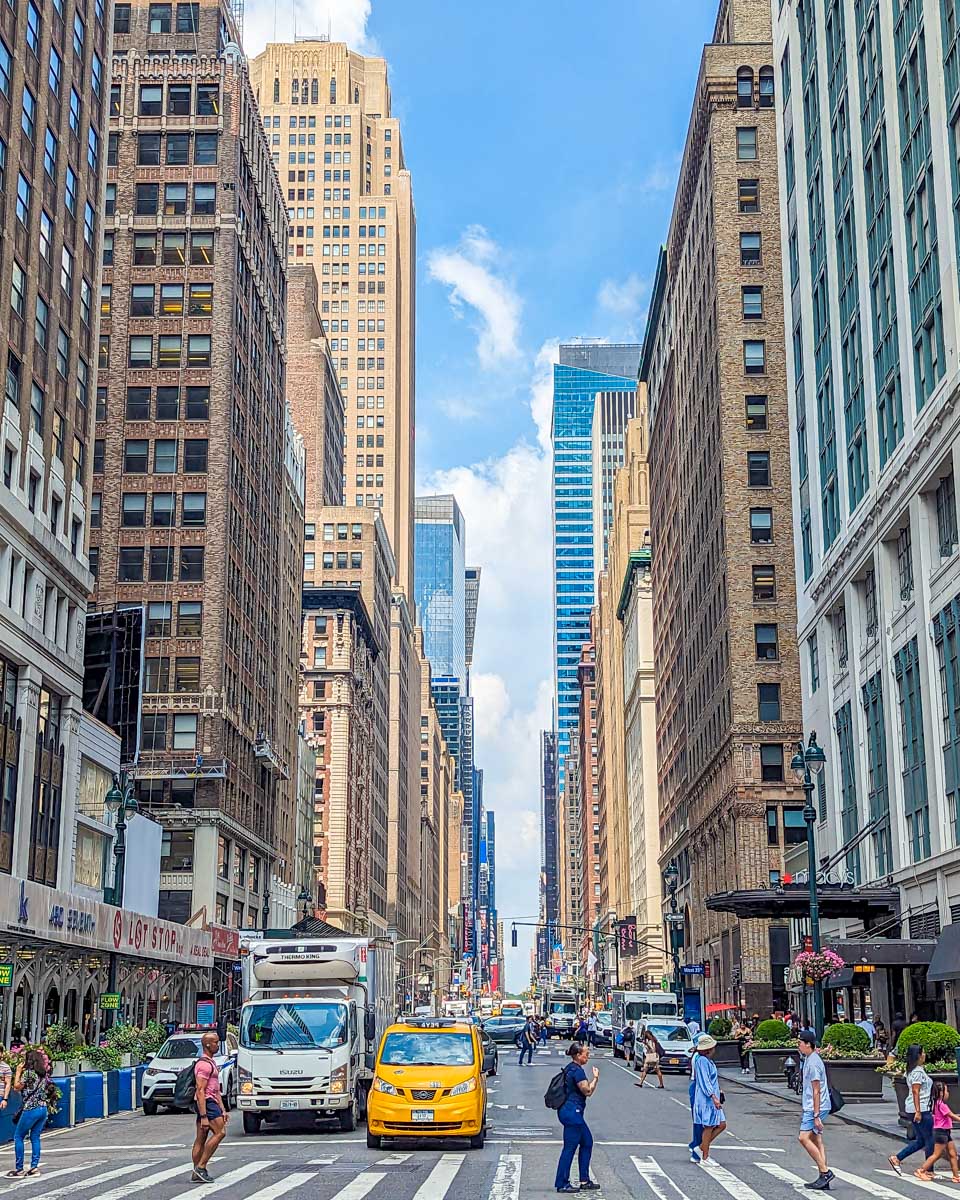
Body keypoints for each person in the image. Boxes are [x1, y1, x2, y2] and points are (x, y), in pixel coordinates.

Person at [553, 1042, 600, 1193]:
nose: (588, 1056)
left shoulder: (569, 1068)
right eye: (586, 1053)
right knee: (570, 1147)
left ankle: (584, 1180)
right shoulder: (578, 1071)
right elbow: (587, 1091)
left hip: (568, 1111)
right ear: (578, 1056)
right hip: (573, 1113)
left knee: (587, 1142)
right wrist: (595, 1079)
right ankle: (562, 1183)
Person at [889, 1044, 934, 1175]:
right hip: (921, 1108)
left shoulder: (912, 1070)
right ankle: (928, 1170)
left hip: (914, 1108)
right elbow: (915, 1091)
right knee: (930, 1138)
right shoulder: (918, 1072)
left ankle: (897, 1158)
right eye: (923, 1053)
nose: (925, 1055)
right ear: (918, 1055)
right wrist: (918, 1111)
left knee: (921, 1140)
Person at [797, 1029, 833, 1190]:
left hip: (814, 1107)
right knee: (817, 1139)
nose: (798, 1046)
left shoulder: (812, 1063)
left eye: (800, 1043)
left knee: (803, 1138)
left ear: (808, 1044)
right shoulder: (811, 1059)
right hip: (816, 1106)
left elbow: (816, 1090)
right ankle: (823, 1176)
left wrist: (816, 1115)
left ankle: (825, 1172)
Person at [5, 1049, 49, 1178]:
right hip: (43, 1108)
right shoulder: (42, 1073)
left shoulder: (28, 1073)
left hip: (31, 1109)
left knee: (18, 1136)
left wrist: (18, 1071)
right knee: (35, 1137)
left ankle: (19, 1169)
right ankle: (34, 1167)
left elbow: (17, 1087)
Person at [191, 1031, 227, 1183]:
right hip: (207, 1102)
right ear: (207, 1044)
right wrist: (204, 1116)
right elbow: (200, 1090)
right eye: (215, 1043)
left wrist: (223, 1109)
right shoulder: (204, 1065)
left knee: (201, 1137)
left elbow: (216, 1089)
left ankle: (196, 1171)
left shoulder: (210, 1062)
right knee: (220, 1133)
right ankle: (201, 1167)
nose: (217, 1045)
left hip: (211, 1102)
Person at [915, 1081, 960, 1182]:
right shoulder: (941, 1105)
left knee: (953, 1154)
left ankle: (956, 1176)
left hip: (946, 1132)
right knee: (937, 1154)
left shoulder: (937, 1103)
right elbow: (952, 1115)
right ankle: (921, 1170)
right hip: (941, 1132)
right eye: (946, 1091)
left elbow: (951, 1116)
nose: (948, 1093)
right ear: (940, 1093)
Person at [691, 1035, 726, 1165]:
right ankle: (705, 1156)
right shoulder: (702, 1061)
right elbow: (705, 1081)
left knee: (721, 1124)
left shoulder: (705, 1060)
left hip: (711, 1097)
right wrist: (713, 1096)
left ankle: (701, 1148)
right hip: (707, 1099)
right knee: (709, 1126)